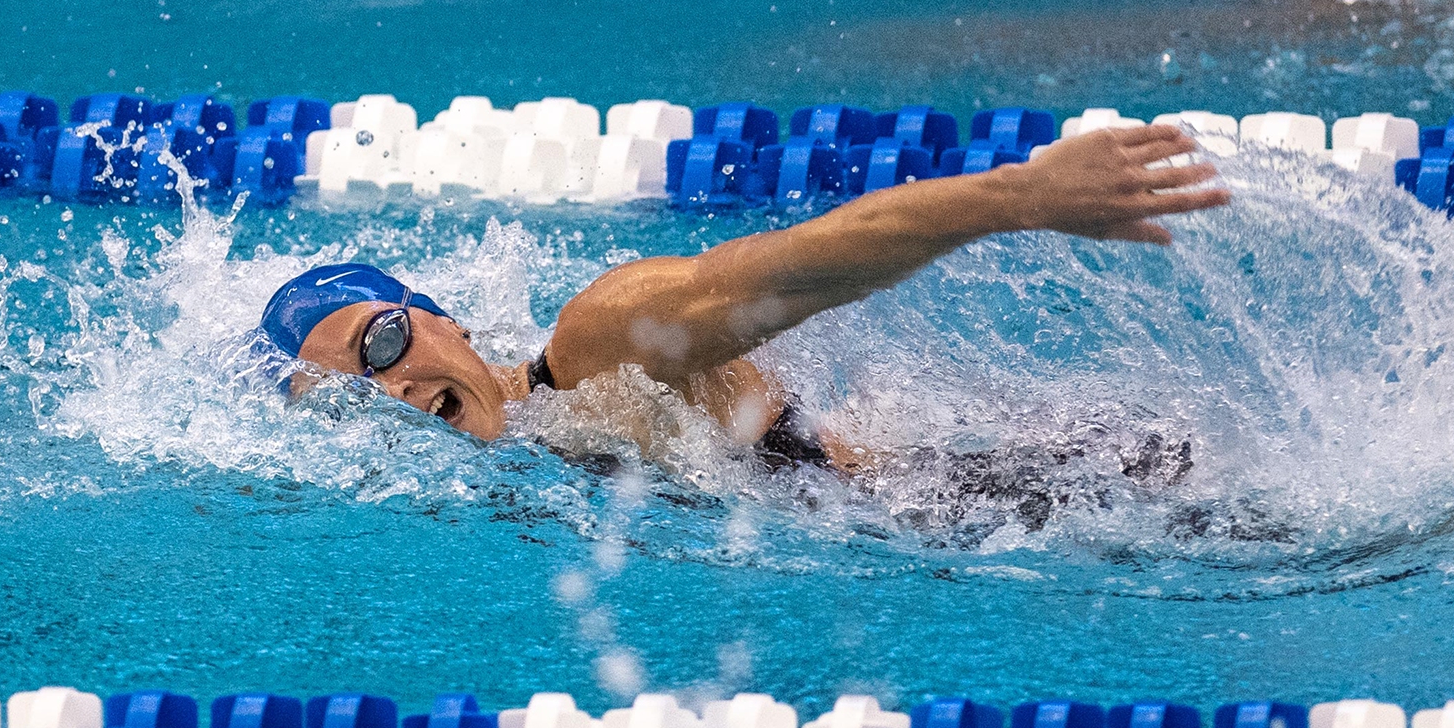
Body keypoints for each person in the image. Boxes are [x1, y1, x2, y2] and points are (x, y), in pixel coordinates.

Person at [258, 124, 1229, 477]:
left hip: (1033, 499)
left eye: (379, 344)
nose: (384, 391)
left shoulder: (596, 347)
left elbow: (787, 269)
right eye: (342, 393)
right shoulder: (503, 481)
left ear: (445, 321)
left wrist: (1017, 197)